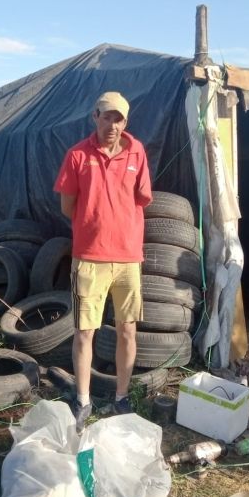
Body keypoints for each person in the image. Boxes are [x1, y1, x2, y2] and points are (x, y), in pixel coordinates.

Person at [53, 91, 152, 432]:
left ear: (126, 122)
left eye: (119, 118)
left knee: (127, 331)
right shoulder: (77, 155)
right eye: (107, 116)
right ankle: (82, 400)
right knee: (84, 333)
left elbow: (141, 198)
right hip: (90, 259)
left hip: (128, 259)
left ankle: (121, 398)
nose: (113, 124)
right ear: (95, 116)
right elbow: (68, 207)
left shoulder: (137, 152)